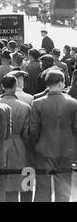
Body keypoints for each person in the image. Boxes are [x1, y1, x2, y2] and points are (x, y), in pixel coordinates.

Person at [30, 70, 77, 202]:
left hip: (42, 150)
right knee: (63, 190)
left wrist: (35, 146)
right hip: (65, 150)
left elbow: (33, 130)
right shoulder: (73, 103)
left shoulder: (37, 103)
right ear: (61, 83)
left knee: (42, 190)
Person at [0, 75, 32, 202]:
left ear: (2, 86)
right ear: (15, 86)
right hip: (19, 145)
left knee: (3, 182)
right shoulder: (25, 107)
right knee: (21, 180)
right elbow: (27, 133)